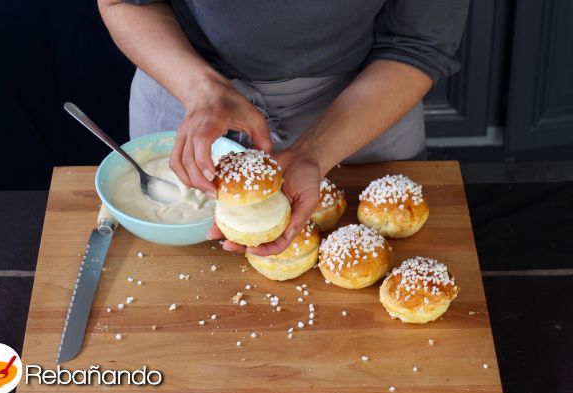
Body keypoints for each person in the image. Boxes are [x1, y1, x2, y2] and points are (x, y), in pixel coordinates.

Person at [98, 0, 469, 255]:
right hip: (184, 89)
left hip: (364, 110)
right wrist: (202, 90)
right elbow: (125, 2)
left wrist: (313, 152)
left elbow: (420, 40)